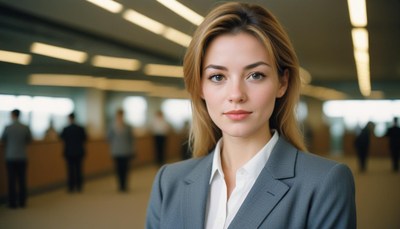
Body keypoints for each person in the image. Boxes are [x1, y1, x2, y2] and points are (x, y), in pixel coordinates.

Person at [146, 2, 356, 229]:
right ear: (199, 87)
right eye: (217, 77)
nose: (236, 95)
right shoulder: (168, 182)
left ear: (282, 83)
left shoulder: (324, 183)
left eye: (255, 75)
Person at [1, 109, 32, 208]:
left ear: (12, 115)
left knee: (11, 181)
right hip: (22, 156)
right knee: (22, 180)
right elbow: (29, 139)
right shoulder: (25, 127)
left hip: (10, 157)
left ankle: (12, 203)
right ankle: (22, 202)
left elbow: (3, 139)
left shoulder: (8, 127)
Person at [107, 109, 135, 192]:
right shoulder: (112, 126)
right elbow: (108, 138)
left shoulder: (128, 126)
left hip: (126, 151)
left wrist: (132, 150)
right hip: (116, 151)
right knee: (118, 169)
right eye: (118, 116)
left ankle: (125, 185)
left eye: (121, 115)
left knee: (126, 169)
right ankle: (120, 185)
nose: (120, 117)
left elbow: (131, 139)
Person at [60, 112, 87, 193]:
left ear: (69, 118)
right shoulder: (80, 128)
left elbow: (62, 138)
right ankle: (79, 187)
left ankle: (71, 187)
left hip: (69, 152)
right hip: (79, 151)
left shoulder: (66, 129)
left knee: (70, 170)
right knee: (78, 170)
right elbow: (85, 138)